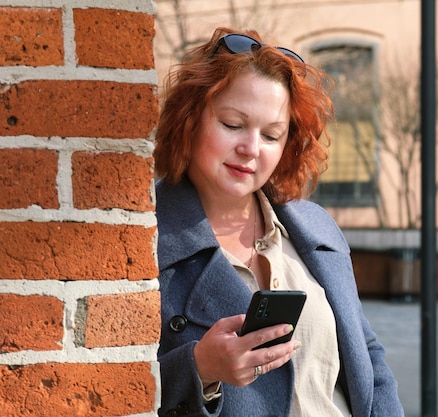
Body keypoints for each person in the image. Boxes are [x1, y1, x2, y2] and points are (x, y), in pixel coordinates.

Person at [154, 26, 404, 417]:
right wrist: (199, 370)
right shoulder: (143, 239)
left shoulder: (316, 228)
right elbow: (109, 382)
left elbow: (368, 361)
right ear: (190, 119)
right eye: (233, 124)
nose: (250, 149)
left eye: (271, 135)